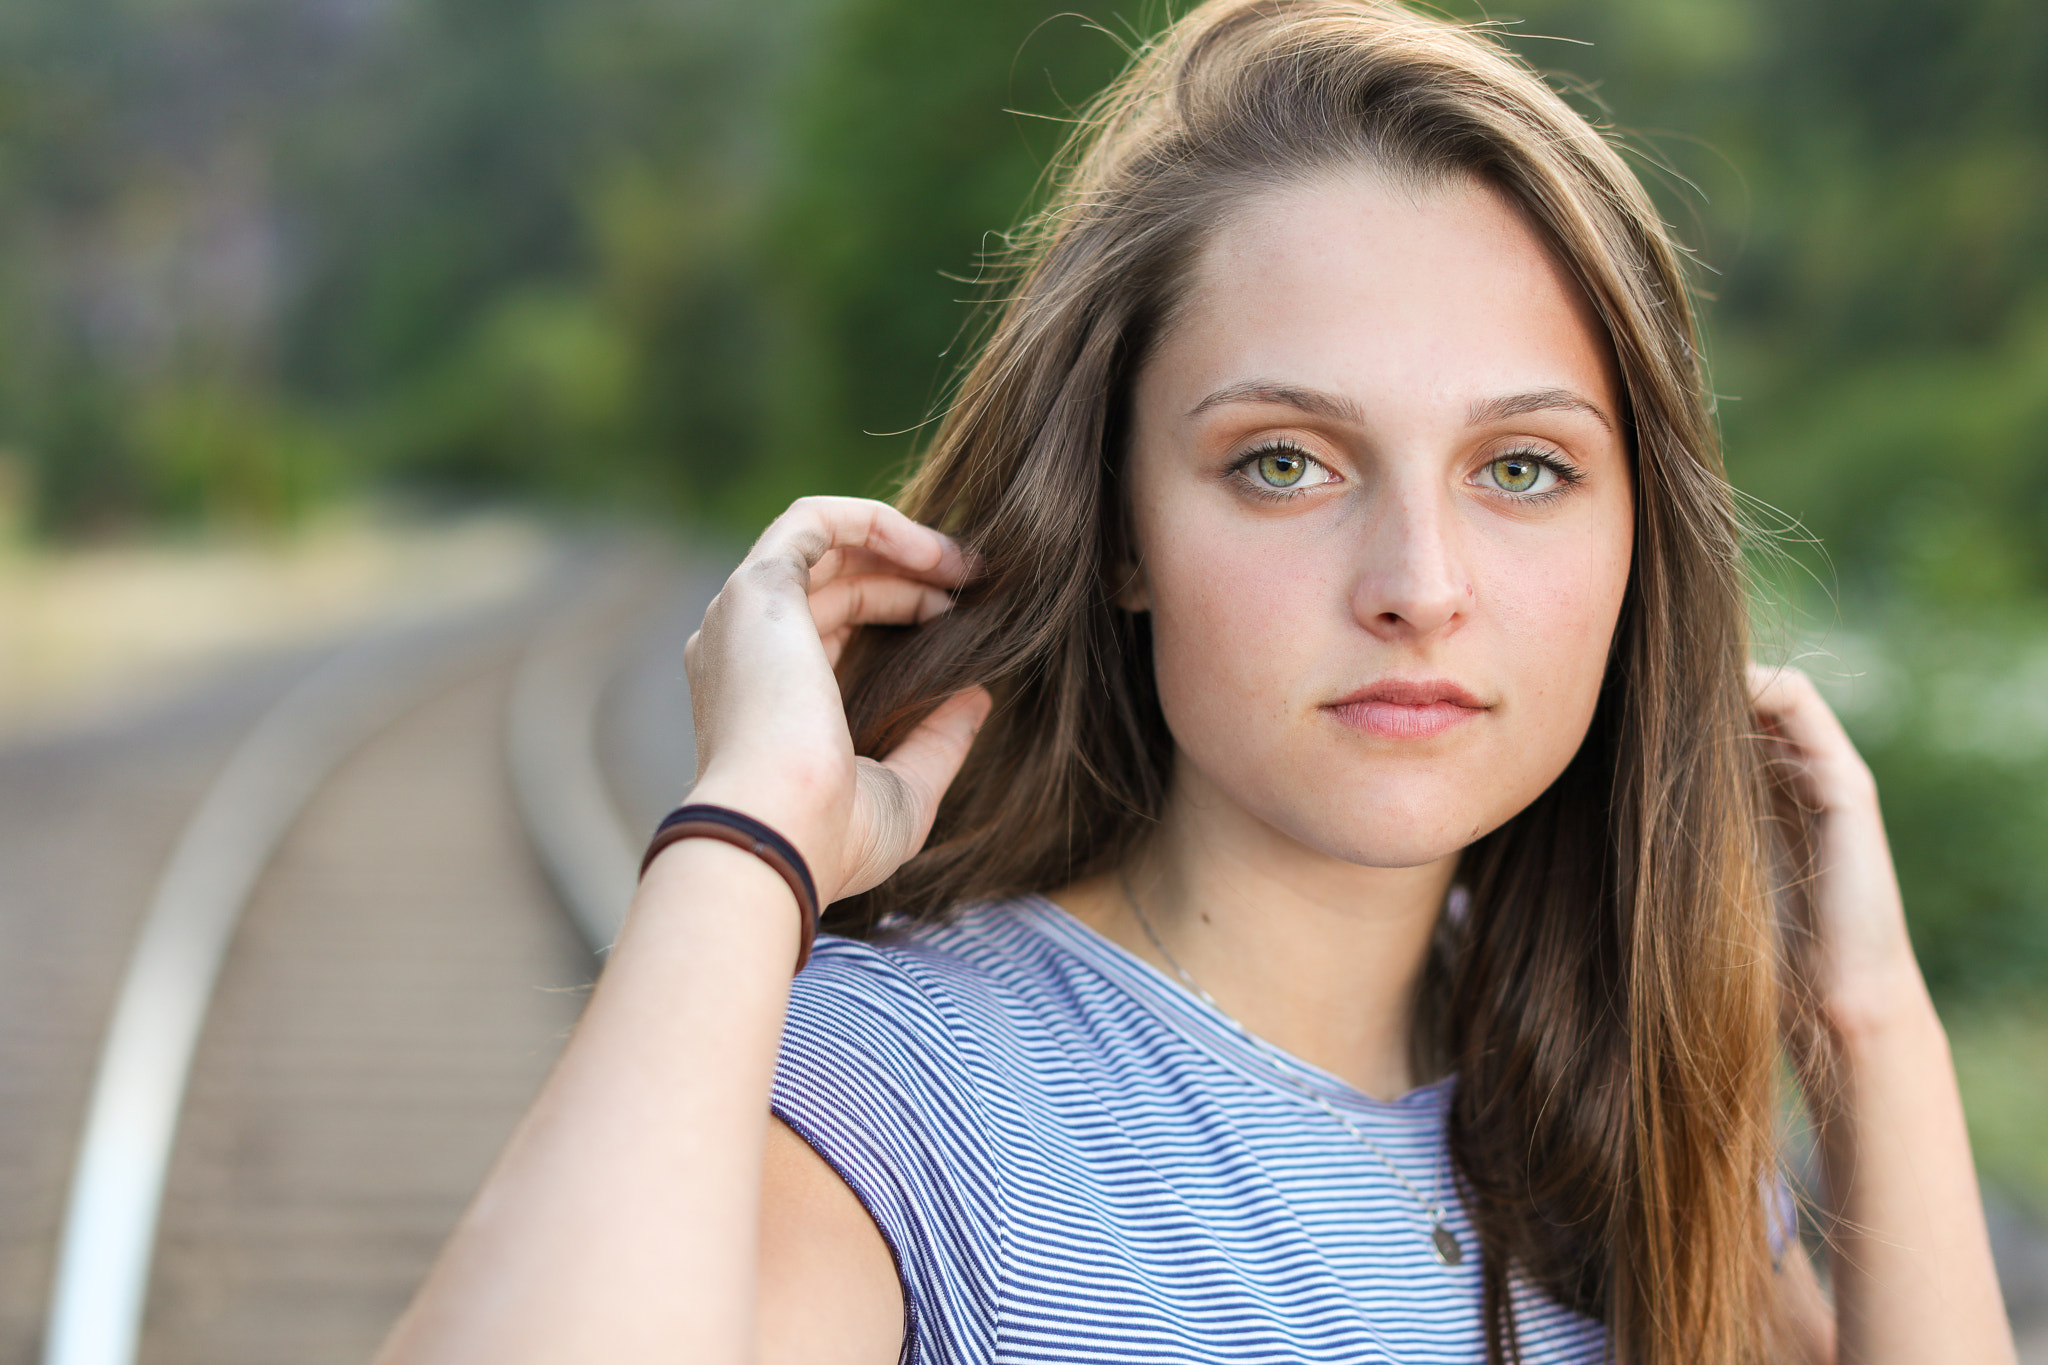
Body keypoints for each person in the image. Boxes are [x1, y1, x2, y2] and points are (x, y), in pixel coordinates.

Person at [376, 2, 2018, 1361]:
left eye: (1521, 468)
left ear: (1637, 543)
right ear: (1120, 527)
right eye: (1287, 461)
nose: (1420, 589)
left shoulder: (1613, 1101)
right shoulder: (908, 1098)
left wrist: (1865, 1031)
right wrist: (749, 838)